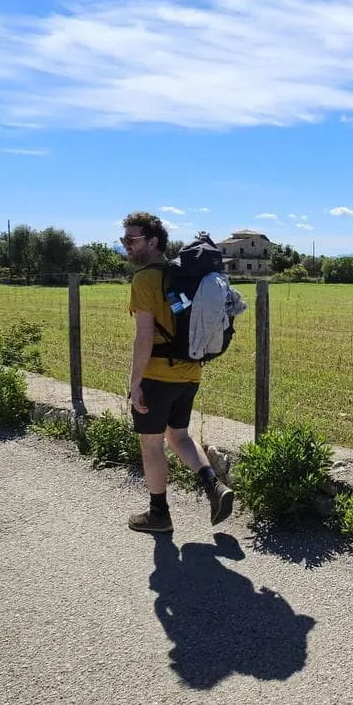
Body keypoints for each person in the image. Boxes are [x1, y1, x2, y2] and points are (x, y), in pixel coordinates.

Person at [121, 211, 234, 534]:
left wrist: (136, 383)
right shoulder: (181, 275)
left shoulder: (145, 279)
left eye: (132, 240)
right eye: (123, 240)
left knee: (152, 444)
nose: (126, 245)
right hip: (190, 373)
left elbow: (143, 336)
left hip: (157, 375)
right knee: (179, 435)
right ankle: (214, 485)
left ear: (153, 241)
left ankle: (159, 514)